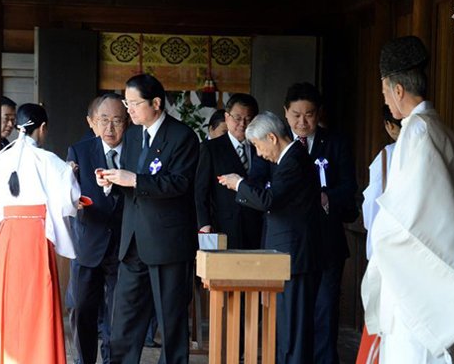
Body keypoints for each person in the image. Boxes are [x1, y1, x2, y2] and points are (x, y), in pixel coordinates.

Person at [360, 35, 454, 363]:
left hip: (415, 272)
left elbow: (406, 214)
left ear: (398, 90)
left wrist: (380, 241)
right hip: (427, 264)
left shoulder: (416, 131)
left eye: (385, 92)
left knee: (412, 350)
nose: (386, 101)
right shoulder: (438, 128)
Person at [96, 73, 199, 364]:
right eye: (126, 103)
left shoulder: (182, 136)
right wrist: (112, 183)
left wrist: (134, 180)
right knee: (125, 320)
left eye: (134, 104)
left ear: (155, 103)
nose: (128, 110)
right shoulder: (132, 136)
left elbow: (179, 183)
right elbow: (130, 185)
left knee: (170, 321)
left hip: (167, 243)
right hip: (133, 241)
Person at [219, 111, 322, 364]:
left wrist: (239, 184)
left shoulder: (294, 161)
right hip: (286, 257)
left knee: (294, 330)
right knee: (284, 328)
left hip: (295, 257)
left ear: (272, 138)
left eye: (258, 145)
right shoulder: (289, 159)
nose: (259, 153)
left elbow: (270, 200)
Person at [0, 103, 80, 364]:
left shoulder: (1, 157)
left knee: (8, 301)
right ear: (42, 128)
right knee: (36, 302)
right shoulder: (48, 159)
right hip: (34, 234)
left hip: (8, 232)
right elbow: (69, 199)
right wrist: (70, 173)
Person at [281, 82, 358, 364]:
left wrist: (326, 197)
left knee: (325, 311)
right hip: (288, 244)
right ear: (286, 113)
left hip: (326, 242)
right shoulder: (275, 141)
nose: (303, 122)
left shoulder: (335, 142)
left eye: (309, 114)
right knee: (290, 313)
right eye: (296, 115)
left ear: (319, 113)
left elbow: (349, 187)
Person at [66, 93, 129, 364]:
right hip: (88, 243)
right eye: (104, 120)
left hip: (123, 245)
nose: (110, 128)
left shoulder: (136, 151)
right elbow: (66, 195)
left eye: (117, 120)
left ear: (127, 122)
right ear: (93, 122)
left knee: (118, 317)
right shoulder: (79, 151)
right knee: (83, 311)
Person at [356, 105, 400, 364]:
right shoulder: (433, 151)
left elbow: (371, 206)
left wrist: (373, 246)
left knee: (384, 315)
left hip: (388, 249)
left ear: (389, 125)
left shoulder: (387, 156)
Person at [195, 93, 263, 249]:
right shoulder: (211, 148)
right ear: (226, 117)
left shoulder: (260, 146)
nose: (242, 124)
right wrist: (204, 224)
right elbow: (200, 190)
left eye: (248, 119)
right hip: (224, 224)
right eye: (237, 118)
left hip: (256, 223)